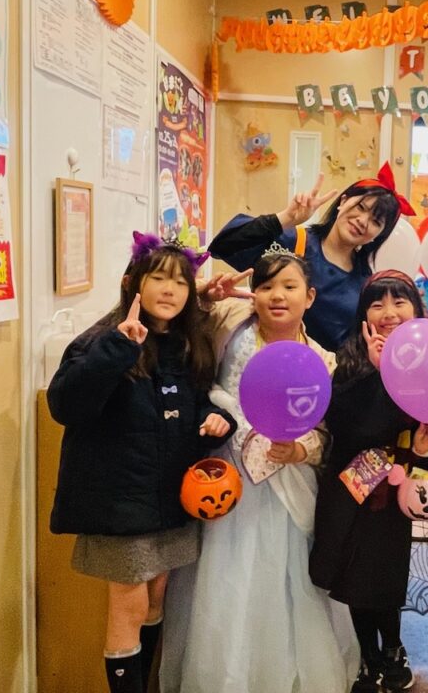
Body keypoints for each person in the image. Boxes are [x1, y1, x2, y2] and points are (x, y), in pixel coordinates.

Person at [160, 248, 358, 693]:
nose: (277, 296)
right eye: (266, 286)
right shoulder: (230, 327)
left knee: (286, 577)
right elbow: (187, 324)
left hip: (288, 482)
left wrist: (301, 450)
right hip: (228, 471)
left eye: (289, 286)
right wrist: (208, 294)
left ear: (309, 296)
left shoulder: (322, 360)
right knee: (225, 574)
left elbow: (327, 434)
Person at [48, 232, 236, 693]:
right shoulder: (102, 339)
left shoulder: (187, 343)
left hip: (170, 498)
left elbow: (195, 404)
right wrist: (118, 349)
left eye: (180, 282)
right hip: (120, 503)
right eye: (158, 278)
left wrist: (217, 420)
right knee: (128, 606)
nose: (170, 290)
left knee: (155, 598)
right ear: (133, 283)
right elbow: (65, 406)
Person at [310, 270, 428, 693]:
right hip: (349, 485)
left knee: (386, 573)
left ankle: (394, 648)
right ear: (363, 314)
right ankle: (368, 656)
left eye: (399, 301)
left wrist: (423, 446)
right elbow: (343, 425)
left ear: (416, 309)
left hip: (393, 487)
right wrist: (372, 369)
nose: (389, 312)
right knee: (353, 574)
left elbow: (425, 434)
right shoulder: (349, 356)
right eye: (377, 303)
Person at [208, 162, 415, 351]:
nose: (362, 220)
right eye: (361, 207)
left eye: (376, 221)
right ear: (343, 201)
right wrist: (285, 219)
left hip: (321, 375)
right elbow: (222, 246)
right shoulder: (292, 242)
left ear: (378, 235)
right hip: (258, 361)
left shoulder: (364, 284)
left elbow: (356, 346)